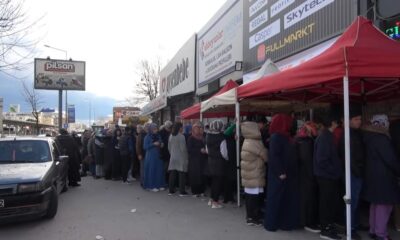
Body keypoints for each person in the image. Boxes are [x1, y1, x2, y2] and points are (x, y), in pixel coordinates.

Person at [362, 114, 400, 240]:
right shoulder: (382, 139)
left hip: (373, 176)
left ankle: (373, 230)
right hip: (383, 177)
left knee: (375, 204)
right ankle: (381, 234)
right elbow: (390, 159)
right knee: (384, 206)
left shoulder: (369, 137)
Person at [264, 114, 299, 232]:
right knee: (275, 199)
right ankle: (272, 224)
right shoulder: (276, 137)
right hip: (278, 174)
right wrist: (280, 172)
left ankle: (283, 223)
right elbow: (274, 156)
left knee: (283, 199)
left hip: (284, 173)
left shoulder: (283, 136)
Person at [338, 106, 365, 240]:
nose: (359, 121)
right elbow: (348, 157)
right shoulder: (347, 134)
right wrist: (358, 172)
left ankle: (354, 224)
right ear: (348, 120)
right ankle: (350, 228)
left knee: (355, 201)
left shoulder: (356, 132)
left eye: (360, 119)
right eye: (356, 119)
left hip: (356, 172)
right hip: (352, 174)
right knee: (351, 202)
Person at [314, 114, 342, 240]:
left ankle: (328, 225)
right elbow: (322, 160)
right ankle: (325, 229)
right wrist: (335, 171)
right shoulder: (325, 137)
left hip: (328, 175)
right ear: (333, 122)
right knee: (326, 202)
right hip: (326, 176)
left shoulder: (327, 136)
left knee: (329, 202)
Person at [241, 121, 267, 226]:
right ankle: (253, 218)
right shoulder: (255, 142)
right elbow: (265, 156)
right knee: (254, 198)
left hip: (249, 174)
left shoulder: (247, 140)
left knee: (250, 197)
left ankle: (250, 216)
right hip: (255, 174)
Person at [295, 122, 319, 233]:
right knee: (308, 199)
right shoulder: (306, 142)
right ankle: (307, 222)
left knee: (304, 199)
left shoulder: (299, 140)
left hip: (301, 175)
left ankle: (304, 220)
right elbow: (308, 161)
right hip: (307, 176)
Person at [206, 119, 227, 209]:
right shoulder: (221, 137)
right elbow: (224, 153)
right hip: (219, 162)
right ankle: (215, 202)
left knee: (213, 181)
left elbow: (207, 150)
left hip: (210, 161)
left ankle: (211, 199)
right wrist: (227, 159)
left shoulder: (208, 135)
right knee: (217, 182)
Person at [167, 122, 189, 196]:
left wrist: (172, 154)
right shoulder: (181, 136)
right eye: (182, 127)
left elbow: (169, 147)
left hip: (173, 157)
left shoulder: (171, 136)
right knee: (181, 174)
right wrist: (186, 157)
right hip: (181, 157)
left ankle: (171, 190)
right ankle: (182, 191)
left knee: (172, 174)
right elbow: (183, 149)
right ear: (179, 128)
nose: (183, 128)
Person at [143, 123, 166, 191]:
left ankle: (160, 184)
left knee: (159, 170)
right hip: (151, 156)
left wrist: (162, 144)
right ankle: (151, 186)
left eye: (156, 129)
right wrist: (153, 144)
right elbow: (145, 147)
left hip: (158, 155)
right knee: (152, 170)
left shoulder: (158, 136)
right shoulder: (147, 137)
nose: (156, 130)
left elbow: (161, 142)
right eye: (154, 129)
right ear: (151, 129)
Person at [187, 123, 207, 197]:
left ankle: (202, 191)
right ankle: (195, 192)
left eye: (198, 128)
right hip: (194, 161)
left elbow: (205, 145)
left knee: (202, 175)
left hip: (202, 160)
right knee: (195, 176)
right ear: (193, 130)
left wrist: (205, 149)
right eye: (196, 128)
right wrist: (199, 150)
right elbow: (189, 149)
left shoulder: (202, 137)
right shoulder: (191, 138)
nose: (197, 130)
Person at [223, 123, 237, 204]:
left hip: (232, 161)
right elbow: (227, 132)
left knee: (230, 181)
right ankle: (227, 198)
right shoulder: (226, 136)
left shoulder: (232, 138)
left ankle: (230, 197)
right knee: (228, 181)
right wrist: (234, 124)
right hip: (228, 161)